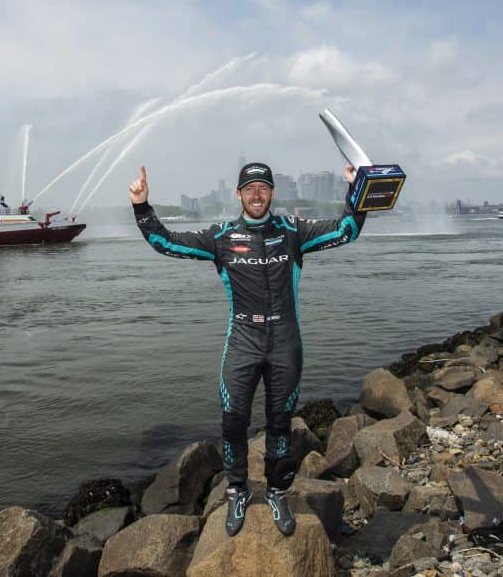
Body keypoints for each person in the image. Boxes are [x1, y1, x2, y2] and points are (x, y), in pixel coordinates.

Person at [129, 162, 366, 537]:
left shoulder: (293, 231)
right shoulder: (221, 237)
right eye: (250, 188)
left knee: (280, 422)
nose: (257, 194)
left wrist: (359, 190)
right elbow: (165, 242)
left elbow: (346, 230)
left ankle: (276, 491)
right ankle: (237, 490)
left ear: (272, 193)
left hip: (285, 343)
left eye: (264, 188)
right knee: (233, 421)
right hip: (242, 342)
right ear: (238, 194)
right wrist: (142, 206)